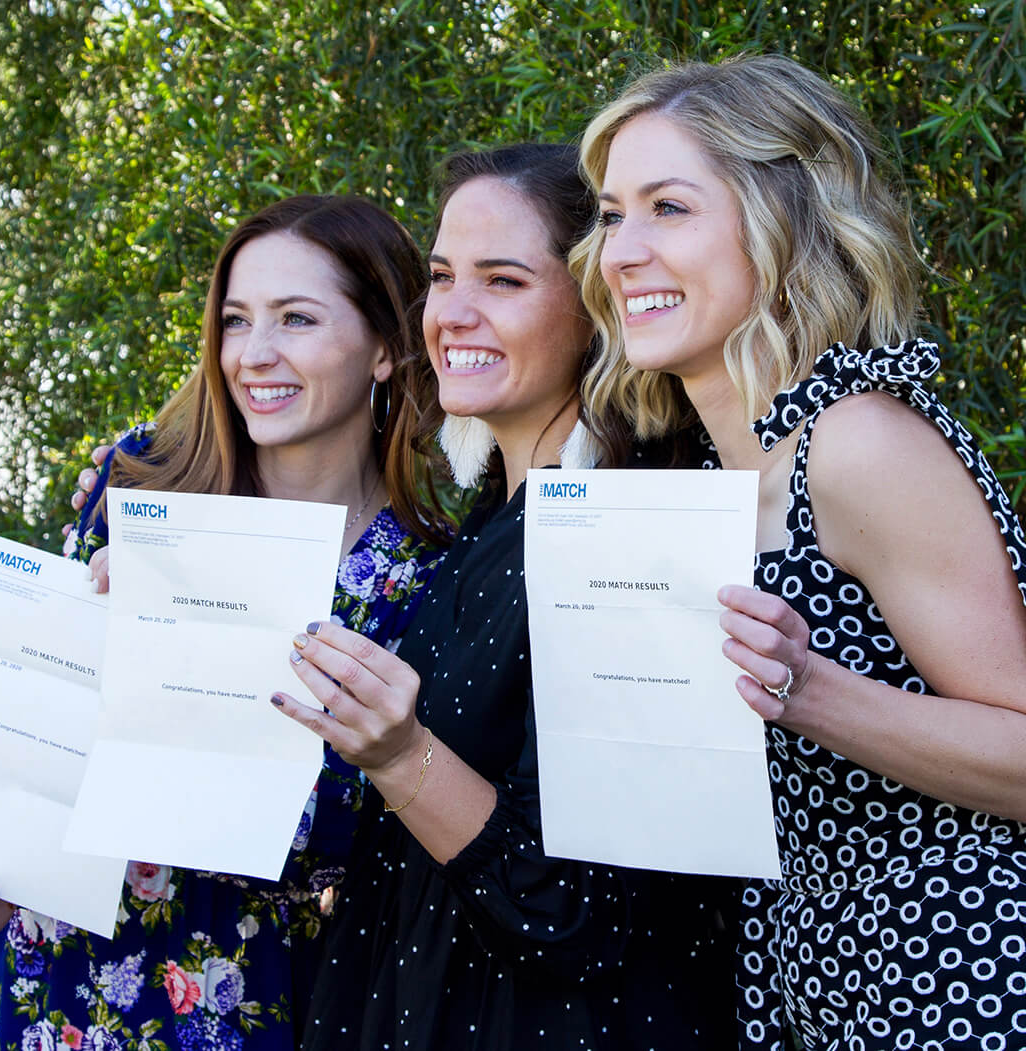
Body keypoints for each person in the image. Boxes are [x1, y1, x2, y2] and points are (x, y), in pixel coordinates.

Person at [570, 55, 1026, 1050]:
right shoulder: (721, 477)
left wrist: (806, 687)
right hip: (824, 988)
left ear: (781, 221)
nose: (620, 250)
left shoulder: (858, 444)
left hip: (976, 986)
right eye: (610, 213)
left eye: (668, 208)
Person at [0, 194, 447, 1051]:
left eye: (297, 318)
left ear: (387, 346)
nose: (256, 354)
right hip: (60, 995)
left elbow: (401, 856)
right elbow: (39, 743)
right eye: (236, 321)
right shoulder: (137, 490)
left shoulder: (427, 583)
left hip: (264, 1004)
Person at [269, 144, 737, 1050]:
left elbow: (586, 910)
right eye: (442, 277)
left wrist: (403, 757)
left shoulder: (637, 534)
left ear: (594, 305)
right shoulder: (485, 526)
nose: (454, 312)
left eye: (504, 280)